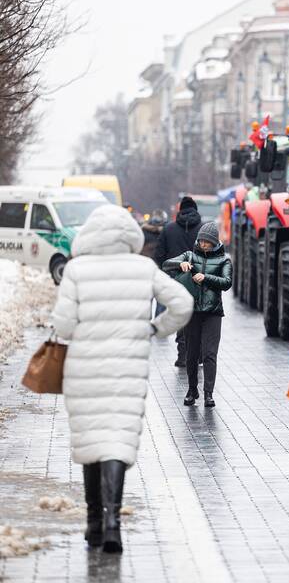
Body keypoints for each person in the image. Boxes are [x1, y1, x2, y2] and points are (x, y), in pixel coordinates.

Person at [50, 205, 193, 554]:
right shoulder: (143, 268)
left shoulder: (76, 270)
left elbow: (64, 326)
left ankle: (94, 524)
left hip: (84, 367)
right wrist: (155, 329)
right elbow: (183, 303)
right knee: (117, 440)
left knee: (91, 443)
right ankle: (114, 522)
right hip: (128, 365)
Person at [163, 221, 232, 408]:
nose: (204, 245)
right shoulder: (189, 255)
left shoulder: (224, 260)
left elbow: (227, 282)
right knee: (191, 354)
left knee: (210, 354)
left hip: (213, 312)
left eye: (207, 242)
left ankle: (208, 393)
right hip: (192, 311)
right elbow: (166, 264)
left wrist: (206, 278)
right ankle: (192, 390)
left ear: (214, 242)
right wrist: (181, 263)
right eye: (201, 241)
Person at [155, 197, 202, 367]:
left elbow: (159, 255)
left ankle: (183, 355)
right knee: (198, 316)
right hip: (199, 280)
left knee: (183, 314)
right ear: (195, 210)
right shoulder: (204, 229)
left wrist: (166, 272)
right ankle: (199, 355)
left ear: (180, 210)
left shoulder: (169, 229)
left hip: (176, 280)